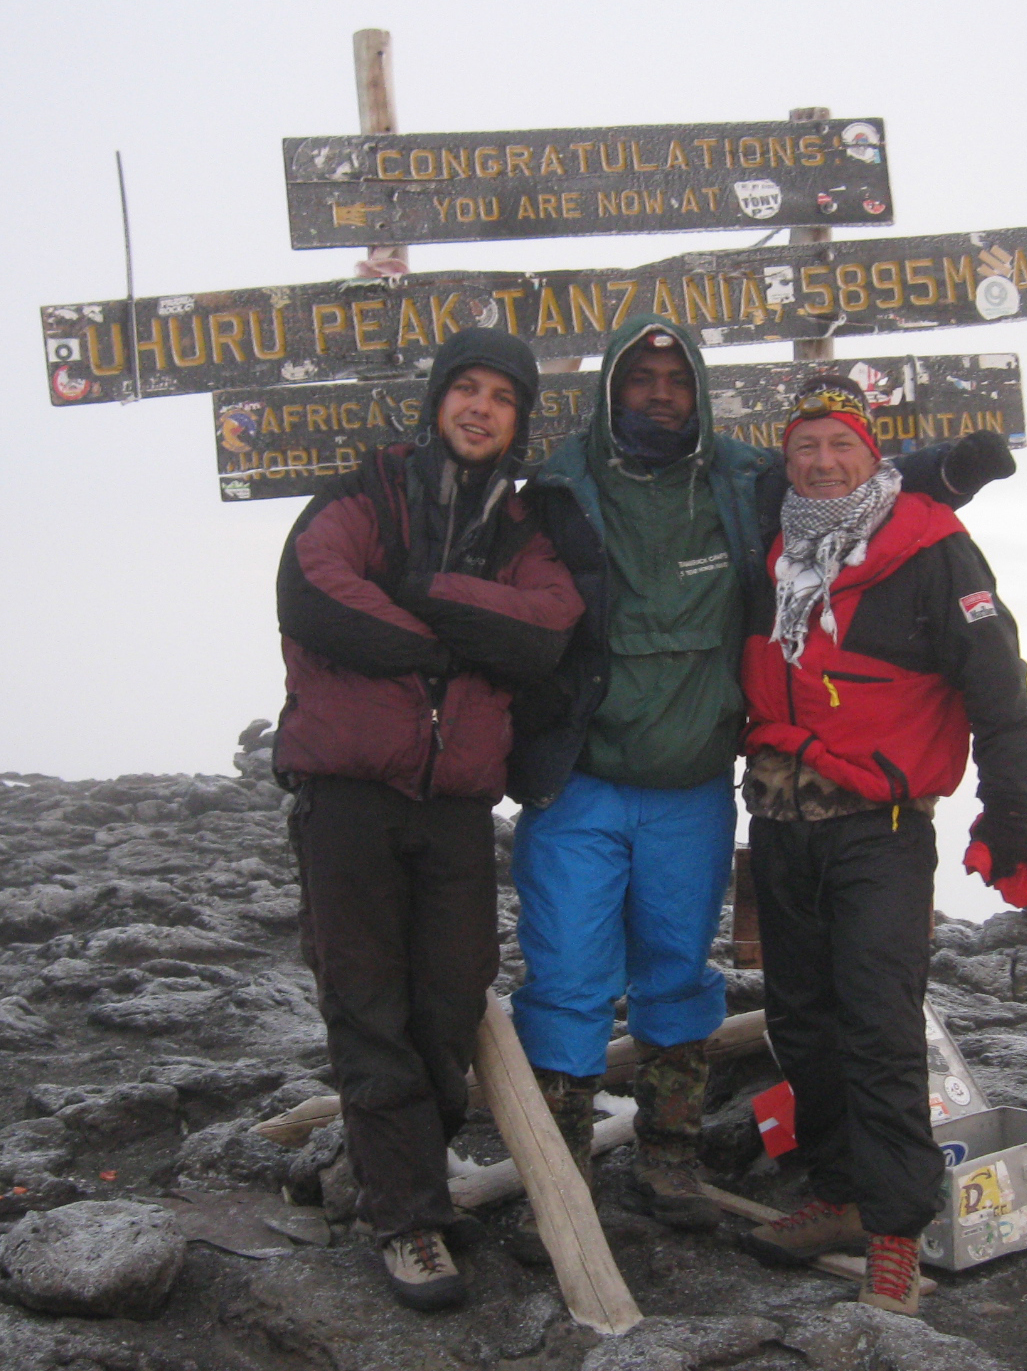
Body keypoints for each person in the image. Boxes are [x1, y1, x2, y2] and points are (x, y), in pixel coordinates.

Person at [503, 316, 1016, 1254]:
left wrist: (955, 467)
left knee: (680, 977)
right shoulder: (560, 487)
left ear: (697, 389)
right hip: (584, 778)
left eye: (675, 378)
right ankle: (559, 1177)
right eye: (640, 376)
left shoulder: (740, 480)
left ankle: (669, 1162)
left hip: (702, 782)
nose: (659, 392)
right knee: (571, 981)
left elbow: (856, 474)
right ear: (611, 386)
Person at [735, 375, 1027, 1315]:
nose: (822, 460)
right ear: (787, 458)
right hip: (777, 821)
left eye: (840, 444)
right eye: (805, 446)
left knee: (878, 1026)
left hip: (878, 829)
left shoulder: (932, 546)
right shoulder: (772, 542)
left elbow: (999, 689)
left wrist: (1011, 815)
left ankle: (893, 1230)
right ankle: (836, 1191)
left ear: (869, 453)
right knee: (799, 1018)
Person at [273, 328, 584, 1312]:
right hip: (349, 799)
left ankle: (394, 1167)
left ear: (520, 420)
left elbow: (543, 628)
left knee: (448, 1007)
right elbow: (317, 593)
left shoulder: (524, 529)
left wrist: (421, 595)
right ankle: (409, 1219)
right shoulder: (366, 491)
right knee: (367, 1008)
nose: (480, 407)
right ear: (436, 402)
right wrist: (456, 639)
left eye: (502, 396)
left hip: (454, 806)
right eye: (466, 389)